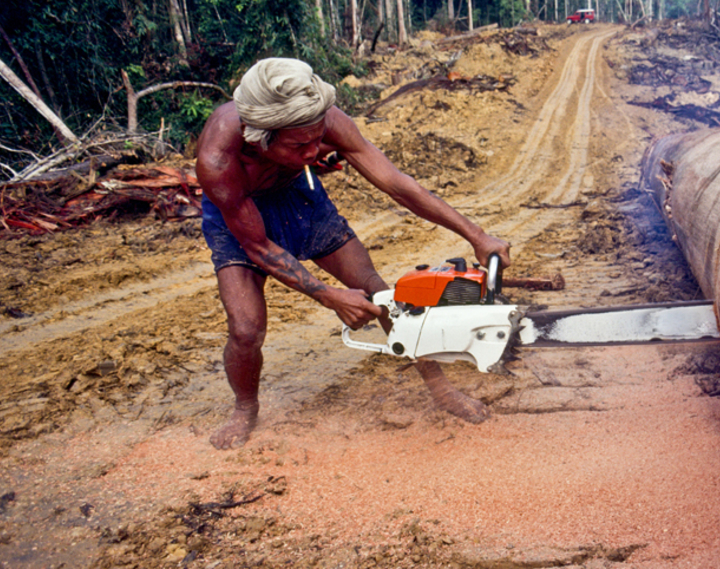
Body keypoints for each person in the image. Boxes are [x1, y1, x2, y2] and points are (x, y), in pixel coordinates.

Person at [195, 58, 511, 449]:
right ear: (260, 137)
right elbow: (258, 245)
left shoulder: (325, 119)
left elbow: (397, 185)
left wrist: (476, 234)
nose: (316, 151)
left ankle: (441, 390)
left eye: (318, 138)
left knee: (382, 296)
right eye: (300, 145)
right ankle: (245, 407)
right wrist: (326, 295)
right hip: (239, 212)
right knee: (245, 329)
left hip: (300, 196)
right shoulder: (218, 160)